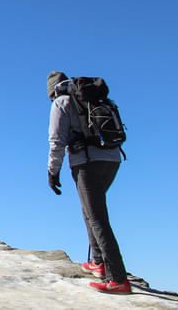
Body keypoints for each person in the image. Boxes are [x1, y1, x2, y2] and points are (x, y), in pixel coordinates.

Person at [47, 71, 130, 294]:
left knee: (96, 217)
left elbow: (56, 141)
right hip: (112, 160)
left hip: (86, 162)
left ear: (53, 91)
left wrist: (52, 172)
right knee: (90, 211)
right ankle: (98, 262)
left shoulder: (61, 103)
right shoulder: (96, 98)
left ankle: (117, 278)